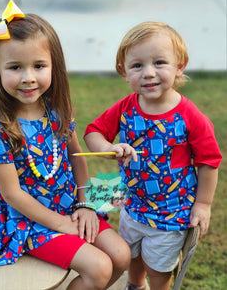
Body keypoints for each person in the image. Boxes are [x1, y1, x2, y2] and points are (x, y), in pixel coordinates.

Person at [0, 0, 130, 290]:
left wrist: (86, 205)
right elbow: (12, 194)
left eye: (38, 65)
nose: (28, 77)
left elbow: (77, 158)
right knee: (99, 269)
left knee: (121, 256)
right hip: (30, 219)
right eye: (15, 67)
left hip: (71, 205)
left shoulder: (56, 109)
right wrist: (60, 225)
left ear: (53, 66)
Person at [84, 21, 222, 290]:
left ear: (179, 66)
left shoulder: (191, 116)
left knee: (158, 269)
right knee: (132, 255)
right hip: (131, 204)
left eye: (159, 62)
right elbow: (93, 132)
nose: (148, 73)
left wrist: (203, 205)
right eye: (137, 65)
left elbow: (208, 162)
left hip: (171, 214)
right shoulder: (126, 107)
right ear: (124, 72)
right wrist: (109, 148)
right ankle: (135, 286)